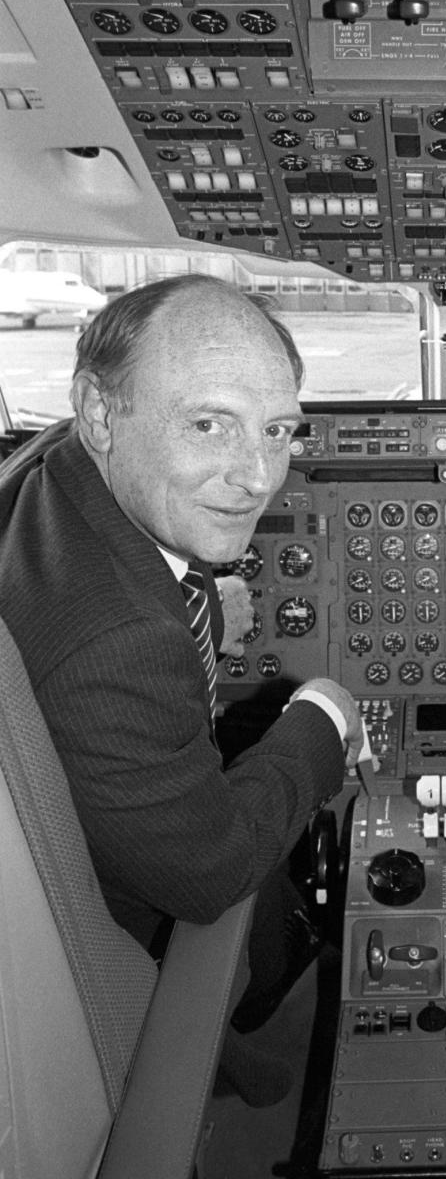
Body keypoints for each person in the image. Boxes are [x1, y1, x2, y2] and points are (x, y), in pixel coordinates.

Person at [0, 274, 364, 968]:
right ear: (100, 412)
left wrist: (207, 612)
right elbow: (211, 871)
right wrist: (323, 715)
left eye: (277, 431)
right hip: (122, 956)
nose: (259, 476)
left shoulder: (52, 469)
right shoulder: (120, 643)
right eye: (208, 424)